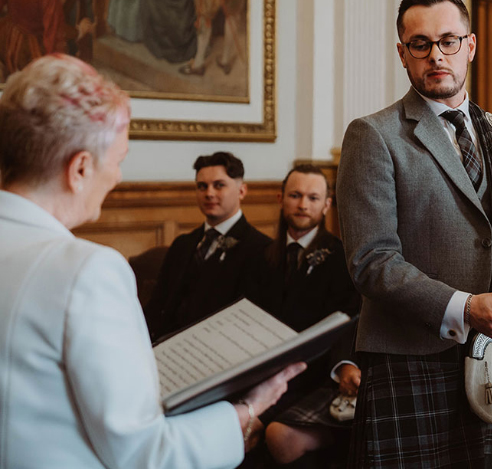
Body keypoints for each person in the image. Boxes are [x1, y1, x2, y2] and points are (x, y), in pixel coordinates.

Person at [0, 54, 304, 469]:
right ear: (81, 168)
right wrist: (247, 410)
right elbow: (146, 453)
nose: (119, 177)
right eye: (119, 160)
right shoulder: (86, 271)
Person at [336, 0, 492, 468]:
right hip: (410, 360)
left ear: (470, 46)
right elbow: (371, 262)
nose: (437, 55)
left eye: (449, 41)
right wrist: (465, 307)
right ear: (403, 53)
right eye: (421, 44)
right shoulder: (374, 136)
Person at [245, 164, 361, 465]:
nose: (302, 204)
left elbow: (349, 322)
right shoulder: (262, 256)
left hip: (316, 373)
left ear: (326, 204)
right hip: (265, 369)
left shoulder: (341, 258)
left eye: (312, 197)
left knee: (259, 430)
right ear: (280, 198)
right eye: (295, 195)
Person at [144, 150, 271, 341]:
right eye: (202, 186)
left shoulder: (261, 249)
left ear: (242, 191)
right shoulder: (183, 244)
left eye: (219, 185)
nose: (209, 193)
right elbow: (157, 307)